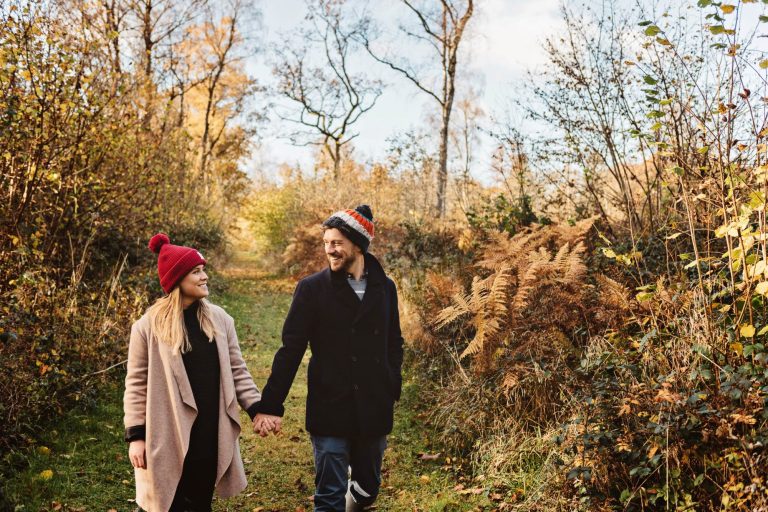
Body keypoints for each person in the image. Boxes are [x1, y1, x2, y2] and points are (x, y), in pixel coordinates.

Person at [253, 205, 404, 512]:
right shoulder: (312, 289)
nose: (329, 250)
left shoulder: (385, 288)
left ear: (358, 245)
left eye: (336, 243)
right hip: (330, 405)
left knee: (368, 488)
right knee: (329, 496)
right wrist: (270, 404)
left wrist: (392, 383)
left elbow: (393, 341)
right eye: (326, 243)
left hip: (374, 405)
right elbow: (290, 349)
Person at [123, 233, 262, 512]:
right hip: (166, 432)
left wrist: (256, 408)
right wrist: (136, 436)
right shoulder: (147, 327)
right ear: (177, 279)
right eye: (196, 272)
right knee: (161, 503)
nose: (204, 277)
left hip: (209, 431)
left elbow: (238, 370)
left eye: (203, 270)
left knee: (199, 502)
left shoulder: (220, 320)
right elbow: (136, 384)